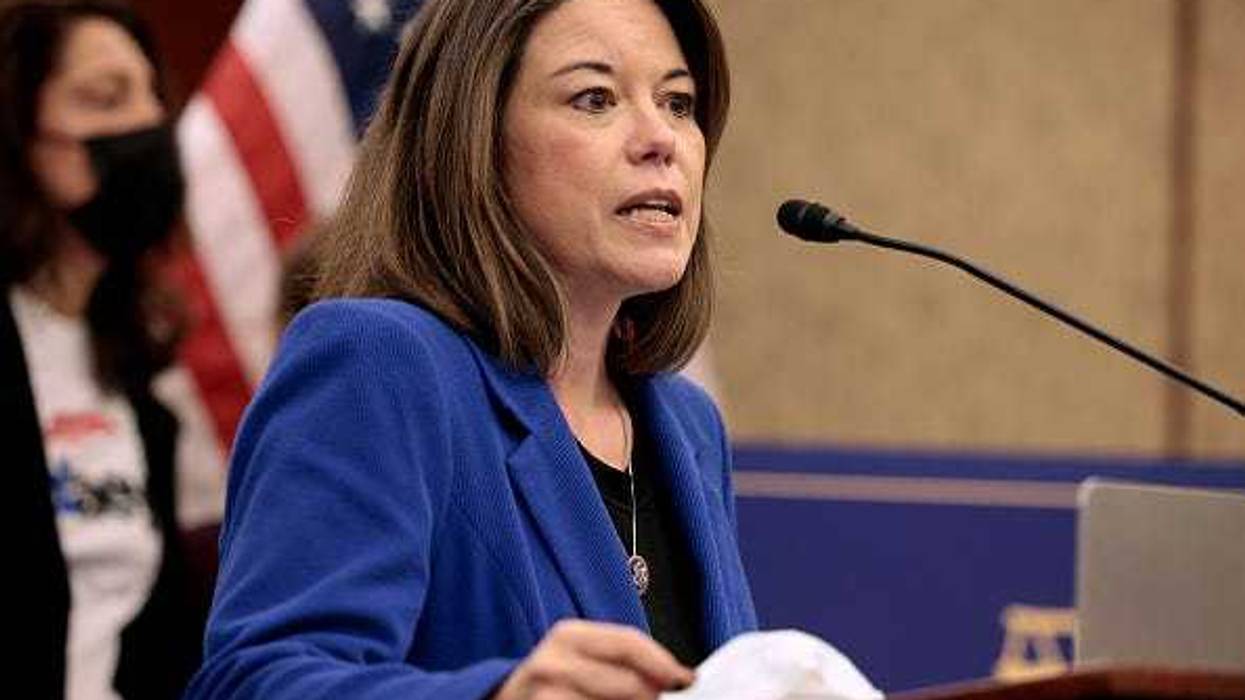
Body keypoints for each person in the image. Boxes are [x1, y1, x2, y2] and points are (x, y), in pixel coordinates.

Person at [188, 0, 756, 697]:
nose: (660, 138)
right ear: (475, 139)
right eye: (595, 98)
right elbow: (255, 681)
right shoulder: (378, 365)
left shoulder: (688, 425)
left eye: (678, 103)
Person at [1, 1, 204, 697]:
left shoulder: (136, 380)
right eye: (106, 99)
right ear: (19, 130)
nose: (149, 124)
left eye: (153, 96)